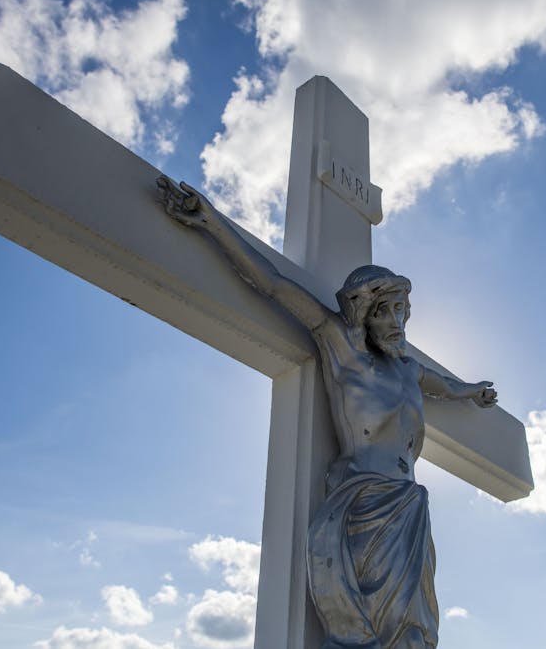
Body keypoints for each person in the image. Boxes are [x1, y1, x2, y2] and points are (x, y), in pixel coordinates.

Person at [157, 176, 497, 649]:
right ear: (363, 312)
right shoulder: (342, 347)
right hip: (364, 506)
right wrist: (212, 222)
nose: (396, 323)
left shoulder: (407, 369)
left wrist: (470, 392)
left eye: (402, 311)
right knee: (369, 630)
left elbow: (445, 386)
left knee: (414, 633)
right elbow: (273, 286)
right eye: (385, 311)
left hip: (409, 507)